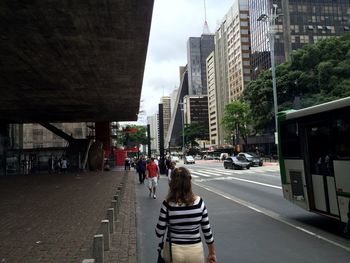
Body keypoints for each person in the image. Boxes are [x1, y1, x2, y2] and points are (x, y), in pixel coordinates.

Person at [155, 167, 217, 263]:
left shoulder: (167, 204)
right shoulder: (199, 203)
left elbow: (159, 232)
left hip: (173, 252)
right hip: (195, 252)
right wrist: (212, 253)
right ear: (189, 182)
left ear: (172, 183)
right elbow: (207, 232)